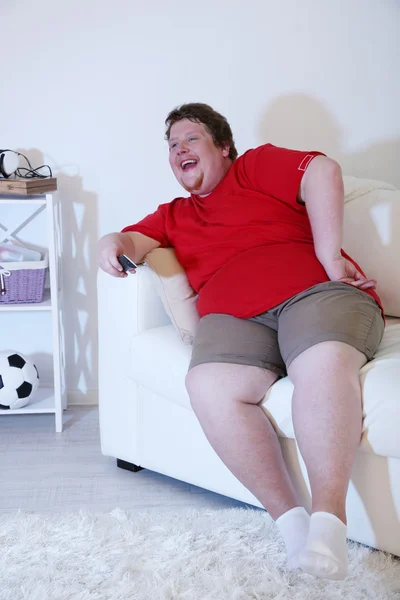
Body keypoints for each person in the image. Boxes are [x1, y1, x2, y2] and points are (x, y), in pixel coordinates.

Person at [97, 103, 384, 580]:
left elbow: (322, 170)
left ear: (223, 146)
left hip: (313, 293)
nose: (179, 150)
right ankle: (294, 529)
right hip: (233, 318)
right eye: (171, 146)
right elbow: (131, 239)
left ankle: (329, 524)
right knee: (208, 386)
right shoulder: (173, 215)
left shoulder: (254, 168)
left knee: (323, 364)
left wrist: (328, 254)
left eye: (190, 139)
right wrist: (111, 243)